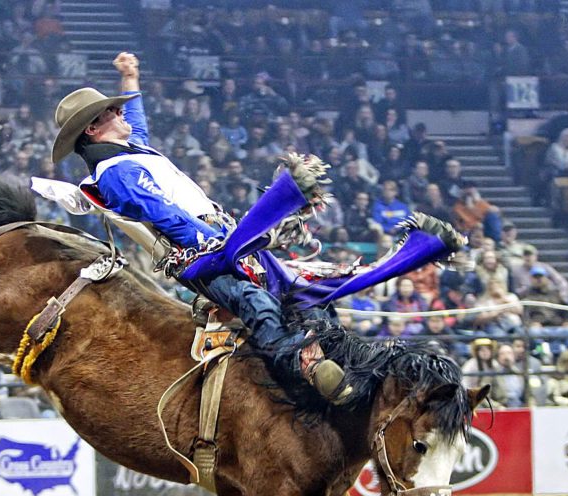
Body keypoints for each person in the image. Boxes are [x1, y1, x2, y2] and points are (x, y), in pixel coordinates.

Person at [49, 51, 350, 401]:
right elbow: (165, 216)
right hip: (199, 255)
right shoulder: (115, 174)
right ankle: (304, 370)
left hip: (221, 242)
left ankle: (341, 361)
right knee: (256, 303)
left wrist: (130, 78)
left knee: (306, 292)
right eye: (113, 111)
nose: (121, 112)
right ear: (92, 129)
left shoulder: (129, 153)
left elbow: (137, 122)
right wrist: (227, 243)